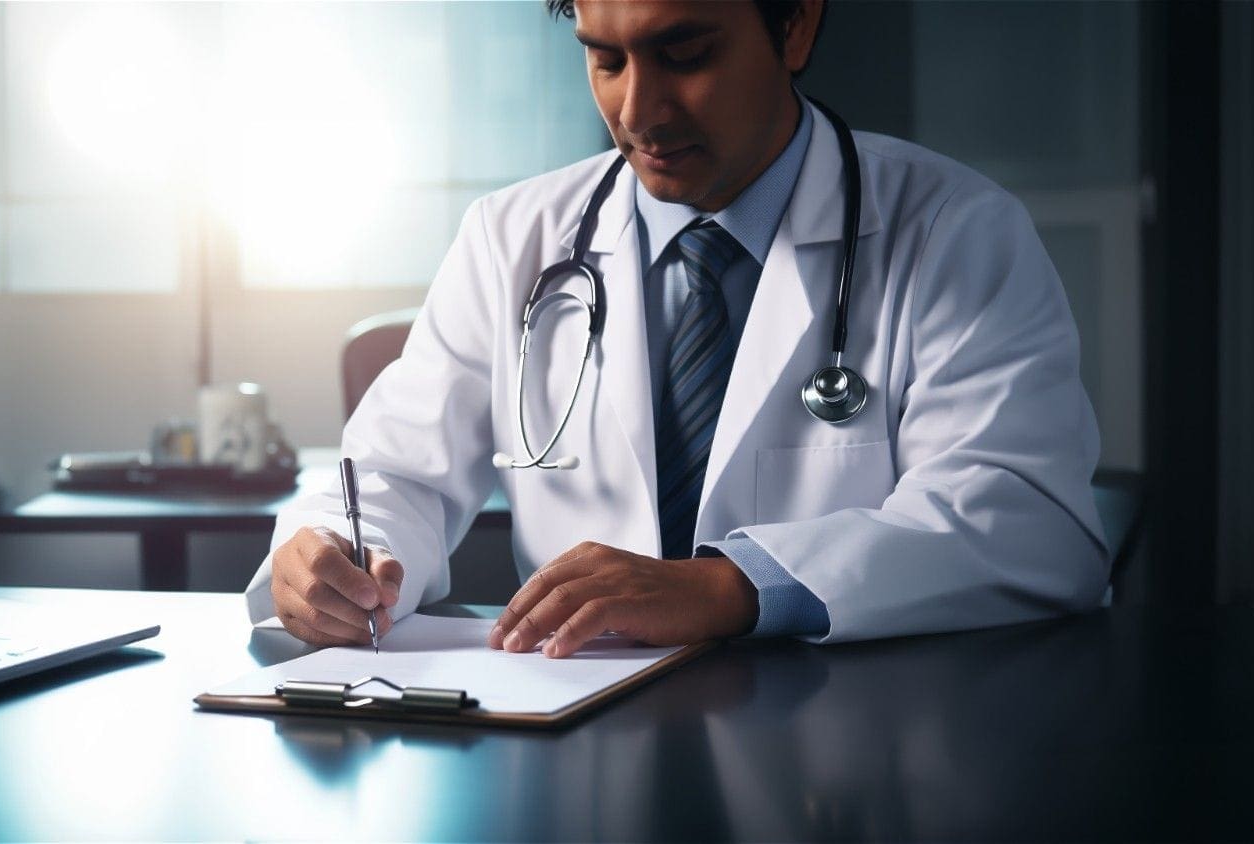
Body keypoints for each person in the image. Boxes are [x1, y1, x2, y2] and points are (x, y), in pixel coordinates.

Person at [245, 0, 1109, 655]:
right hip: (573, 734)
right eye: (605, 59)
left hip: (854, 745)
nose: (640, 110)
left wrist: (734, 587)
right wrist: (338, 556)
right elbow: (396, 475)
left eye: (685, 55)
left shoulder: (951, 230)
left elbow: (1028, 522)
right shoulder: (512, 238)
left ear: (797, 26)